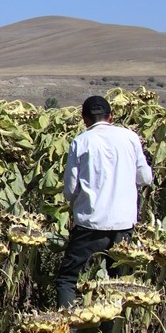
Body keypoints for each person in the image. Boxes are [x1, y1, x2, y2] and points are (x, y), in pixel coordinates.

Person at [54, 94, 153, 308]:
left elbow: (70, 189)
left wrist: (74, 203)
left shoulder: (80, 141)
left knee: (68, 279)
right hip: (123, 225)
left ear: (84, 119)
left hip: (90, 223)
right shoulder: (130, 137)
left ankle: (66, 330)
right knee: (115, 283)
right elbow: (145, 178)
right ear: (112, 116)